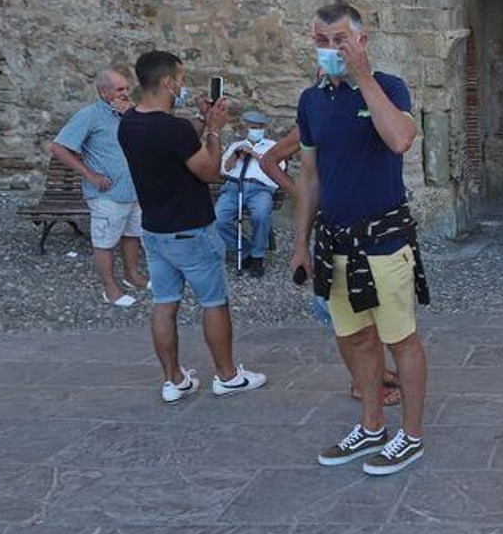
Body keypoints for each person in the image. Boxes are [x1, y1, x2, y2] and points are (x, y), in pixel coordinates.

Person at [293, 0, 432, 476]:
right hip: (333, 245)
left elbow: (399, 139)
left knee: (401, 340)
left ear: (360, 42)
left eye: (340, 41)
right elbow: (309, 175)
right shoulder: (311, 101)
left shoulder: (388, 87)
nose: (330, 50)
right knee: (353, 339)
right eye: (321, 41)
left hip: (385, 241)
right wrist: (299, 244)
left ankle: (410, 436)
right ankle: (372, 426)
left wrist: (363, 77)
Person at [117, 50, 268, 403]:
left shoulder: (130, 123)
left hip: (154, 230)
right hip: (191, 230)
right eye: (181, 80)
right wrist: (214, 130)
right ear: (167, 82)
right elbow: (210, 171)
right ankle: (228, 375)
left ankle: (173, 380)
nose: (183, 86)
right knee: (214, 303)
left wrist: (200, 121)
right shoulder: (172, 128)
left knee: (165, 304)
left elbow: (176, 147)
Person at [263, 124, 403, 407]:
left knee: (369, 312)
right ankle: (360, 383)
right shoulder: (314, 120)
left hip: (370, 230)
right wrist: (302, 195)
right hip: (334, 233)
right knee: (345, 316)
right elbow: (269, 161)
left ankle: (371, 373)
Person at [50, 68, 148, 307]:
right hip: (108, 194)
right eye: (120, 89)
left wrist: (132, 116)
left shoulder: (131, 114)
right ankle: (110, 289)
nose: (126, 93)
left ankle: (132, 276)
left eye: (127, 88)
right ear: (104, 92)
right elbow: (59, 148)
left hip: (135, 190)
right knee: (105, 241)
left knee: (132, 234)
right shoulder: (89, 115)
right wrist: (90, 174)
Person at [214, 109, 282, 277]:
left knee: (260, 215)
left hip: (260, 189)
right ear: (245, 128)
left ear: (265, 128)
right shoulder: (236, 146)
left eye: (259, 127)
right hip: (234, 187)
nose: (256, 130)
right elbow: (224, 169)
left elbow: (280, 169)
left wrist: (256, 155)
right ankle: (245, 251)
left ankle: (257, 257)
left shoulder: (272, 147)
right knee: (218, 219)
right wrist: (236, 157)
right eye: (253, 127)